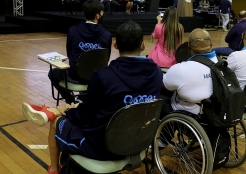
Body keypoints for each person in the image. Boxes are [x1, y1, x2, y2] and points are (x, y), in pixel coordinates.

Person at [22, 20, 163, 174]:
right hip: (138, 143)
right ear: (142, 45)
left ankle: (54, 169)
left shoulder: (104, 76)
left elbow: (83, 116)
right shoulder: (156, 73)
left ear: (115, 45)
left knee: (58, 121)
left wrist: (68, 112)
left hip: (100, 147)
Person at [48, 0, 112, 103]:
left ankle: (69, 99)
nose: (103, 14)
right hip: (97, 77)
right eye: (102, 12)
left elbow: (69, 53)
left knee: (52, 73)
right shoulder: (107, 35)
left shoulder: (73, 30)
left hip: (75, 75)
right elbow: (105, 58)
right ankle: (85, 97)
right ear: (97, 16)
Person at [162, 29, 215, 115]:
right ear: (211, 44)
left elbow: (165, 85)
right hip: (215, 111)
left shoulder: (181, 68)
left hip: (189, 113)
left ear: (189, 46)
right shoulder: (222, 64)